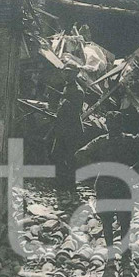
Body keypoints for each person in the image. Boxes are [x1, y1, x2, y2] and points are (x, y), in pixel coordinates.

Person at [76, 111, 139, 277]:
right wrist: (135, 169)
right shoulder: (130, 140)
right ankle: (123, 257)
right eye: (112, 123)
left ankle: (114, 257)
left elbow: (81, 154)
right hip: (120, 184)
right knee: (121, 220)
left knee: (110, 221)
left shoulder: (102, 141)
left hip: (107, 184)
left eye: (114, 123)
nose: (112, 127)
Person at [51, 67, 86, 195]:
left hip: (72, 128)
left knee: (70, 157)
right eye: (65, 72)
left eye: (69, 73)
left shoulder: (78, 91)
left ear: (75, 74)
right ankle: (62, 182)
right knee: (57, 154)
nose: (66, 75)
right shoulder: (67, 87)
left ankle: (70, 184)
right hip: (63, 128)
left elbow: (75, 111)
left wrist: (64, 103)